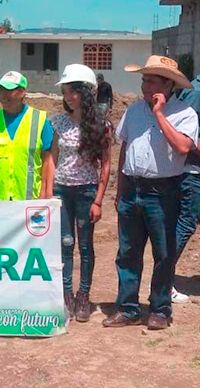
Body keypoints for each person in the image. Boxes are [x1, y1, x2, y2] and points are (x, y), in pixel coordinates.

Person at [102, 55, 198, 330]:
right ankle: (128, 307)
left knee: (164, 253)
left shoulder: (184, 114)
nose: (144, 85)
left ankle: (160, 309)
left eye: (151, 80)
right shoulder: (133, 111)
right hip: (133, 188)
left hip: (164, 192)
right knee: (128, 252)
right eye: (144, 80)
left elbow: (182, 148)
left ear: (167, 86)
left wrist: (159, 114)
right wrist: (120, 190)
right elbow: (125, 149)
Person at [52, 64, 112, 322]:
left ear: (85, 93)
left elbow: (107, 164)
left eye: (72, 91)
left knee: (85, 247)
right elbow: (52, 159)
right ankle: (66, 295)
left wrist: (98, 200)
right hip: (61, 192)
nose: (67, 97)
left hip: (87, 192)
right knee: (65, 245)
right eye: (65, 91)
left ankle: (83, 296)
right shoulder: (57, 123)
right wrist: (49, 192)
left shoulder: (102, 124)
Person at [0, 71, 54, 200]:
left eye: (9, 90)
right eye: (1, 90)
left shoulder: (39, 120)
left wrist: (45, 193)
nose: (4, 95)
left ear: (22, 92)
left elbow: (47, 161)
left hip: (28, 201)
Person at [171, 72, 200, 303]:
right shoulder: (196, 92)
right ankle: (164, 280)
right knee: (186, 222)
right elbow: (186, 134)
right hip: (192, 171)